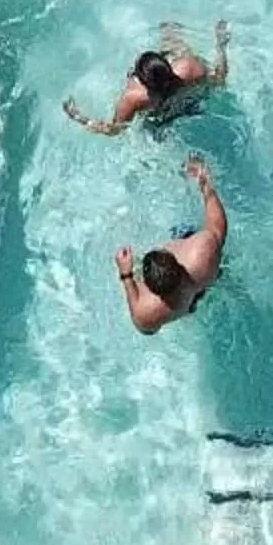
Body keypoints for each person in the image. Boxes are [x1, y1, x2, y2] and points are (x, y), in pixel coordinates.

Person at [116, 155, 226, 334]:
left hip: (184, 308)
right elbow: (217, 226)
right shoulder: (204, 252)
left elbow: (146, 330)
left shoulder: (148, 313)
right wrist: (205, 184)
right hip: (203, 280)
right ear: (179, 266)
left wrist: (126, 274)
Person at [65, 21, 230, 136]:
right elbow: (220, 79)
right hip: (192, 107)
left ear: (144, 82)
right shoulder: (189, 68)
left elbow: (114, 130)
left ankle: (168, 27)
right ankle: (169, 26)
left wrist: (80, 118)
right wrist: (220, 46)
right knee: (175, 42)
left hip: (160, 123)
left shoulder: (134, 98)